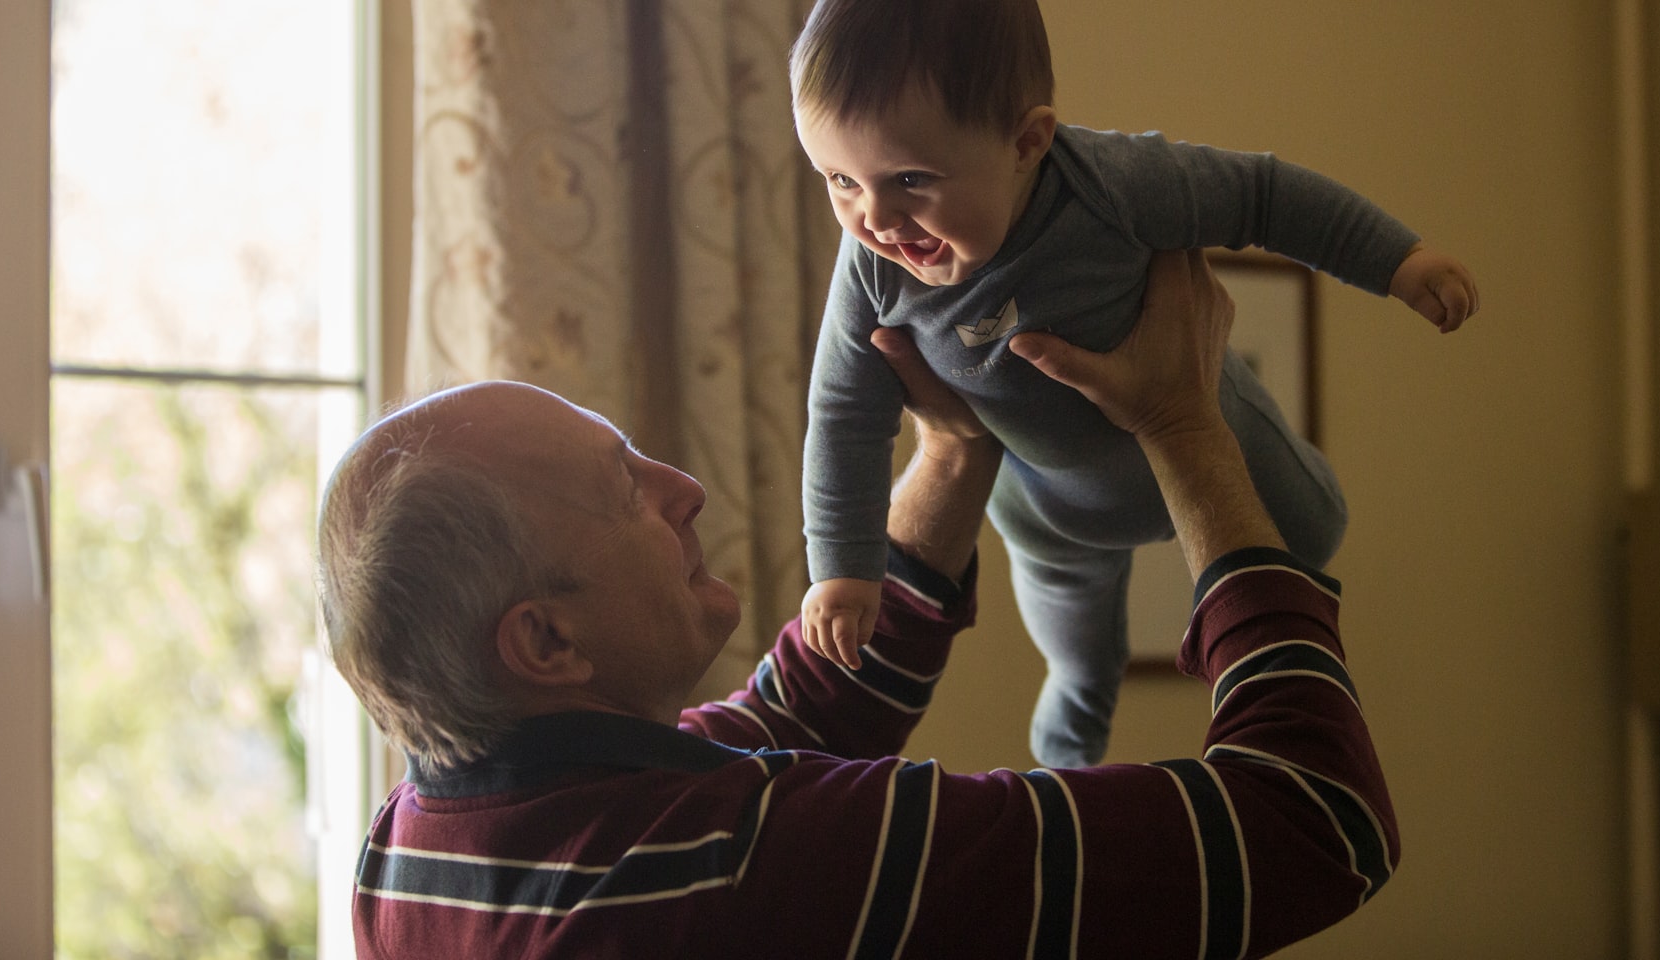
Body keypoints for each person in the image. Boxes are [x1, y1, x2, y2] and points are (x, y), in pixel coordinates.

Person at [318, 251, 1399, 959]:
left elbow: (795, 714)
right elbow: (1313, 820)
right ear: (546, 640)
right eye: (624, 490)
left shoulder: (412, 851)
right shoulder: (753, 867)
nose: (682, 490)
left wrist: (955, 447)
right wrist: (1184, 426)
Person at [793, 0, 1480, 767]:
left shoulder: (1113, 185)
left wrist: (1399, 262)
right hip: (1052, 513)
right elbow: (844, 417)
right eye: (839, 180)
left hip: (1206, 422)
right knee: (1080, 661)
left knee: (1314, 535)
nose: (875, 219)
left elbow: (1265, 196)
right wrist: (845, 569)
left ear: (1028, 142)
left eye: (910, 179)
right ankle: (1068, 763)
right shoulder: (874, 273)